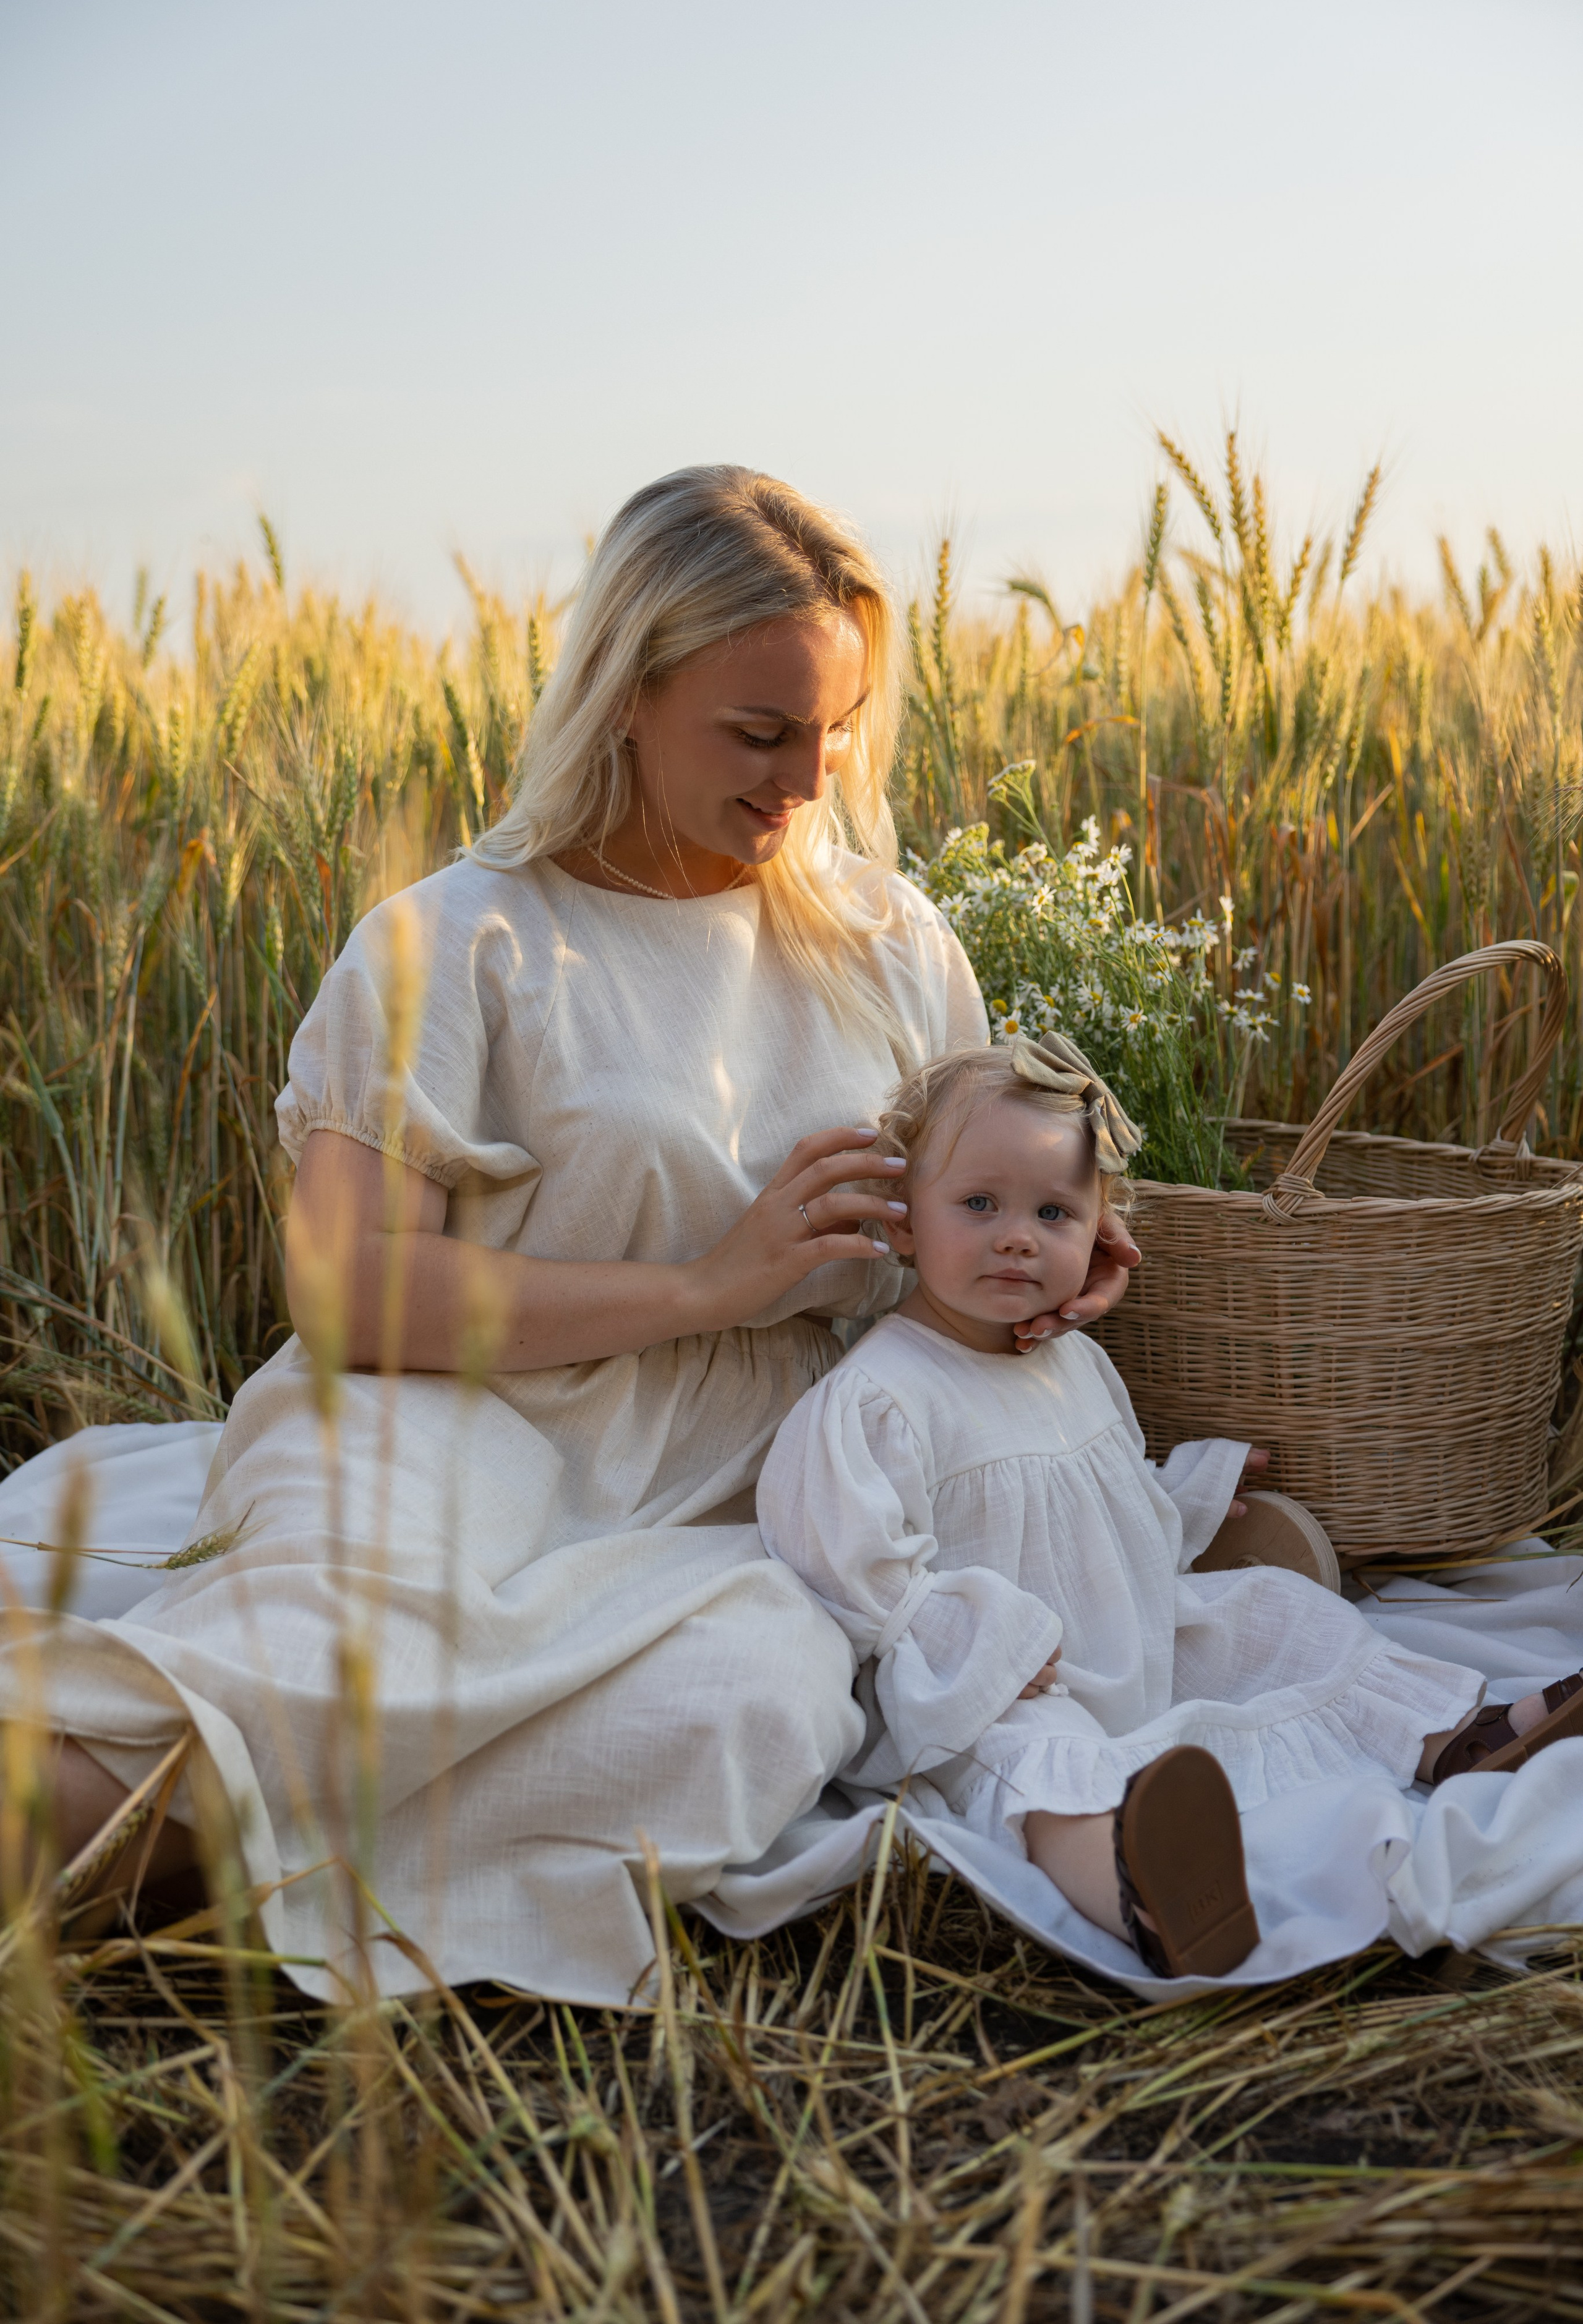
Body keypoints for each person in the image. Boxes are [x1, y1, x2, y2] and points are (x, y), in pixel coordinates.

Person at [0, 467, 1140, 2003]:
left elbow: (972, 1198)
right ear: (624, 690)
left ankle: (238, 1860)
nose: (804, 777)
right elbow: (346, 1291)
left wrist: (1038, 1269)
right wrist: (703, 1282)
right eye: (756, 733)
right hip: (459, 1424)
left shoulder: (890, 940)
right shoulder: (458, 938)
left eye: (835, 727)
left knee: (757, 1699)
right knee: (345, 1662)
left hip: (754, 1490)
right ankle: (134, 1831)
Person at [756, 1037, 1583, 1978]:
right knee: (1032, 1762)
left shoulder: (1073, 1362)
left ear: (1101, 1230)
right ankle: (1148, 1886)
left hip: (1132, 1635)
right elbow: (851, 1566)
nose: (1017, 1235)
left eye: (1054, 1211)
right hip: (1002, 1681)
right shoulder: (882, 1395)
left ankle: (1460, 1739)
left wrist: (1189, 1494)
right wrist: (978, 1645)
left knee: (1284, 1616)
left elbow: (1116, 1506)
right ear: (906, 1222)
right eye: (979, 1204)